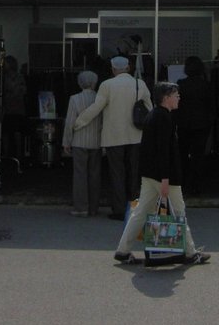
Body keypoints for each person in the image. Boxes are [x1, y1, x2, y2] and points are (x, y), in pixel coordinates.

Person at [114, 82, 210, 265]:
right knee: (179, 211)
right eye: (175, 95)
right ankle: (191, 253)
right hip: (165, 176)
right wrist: (165, 179)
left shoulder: (153, 115)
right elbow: (163, 151)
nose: (178, 98)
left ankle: (122, 250)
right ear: (166, 98)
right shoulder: (164, 118)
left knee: (140, 212)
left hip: (150, 174)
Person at [74, 55, 152, 220]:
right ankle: (134, 208)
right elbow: (149, 108)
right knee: (134, 172)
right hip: (136, 136)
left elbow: (97, 107)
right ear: (128, 68)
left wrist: (80, 122)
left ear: (113, 69)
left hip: (114, 137)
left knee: (117, 173)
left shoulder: (107, 85)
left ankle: (119, 209)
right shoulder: (140, 83)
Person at [62, 71, 102, 217]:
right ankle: (94, 207)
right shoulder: (100, 98)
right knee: (95, 175)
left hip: (79, 141)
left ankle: (81, 207)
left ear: (80, 83)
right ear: (95, 82)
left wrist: (66, 141)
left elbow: (70, 122)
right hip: (96, 142)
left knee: (80, 175)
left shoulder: (74, 99)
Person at [176, 56, 214, 193]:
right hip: (202, 123)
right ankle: (196, 184)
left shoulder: (180, 84)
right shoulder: (206, 85)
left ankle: (184, 182)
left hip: (184, 123)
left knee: (183, 153)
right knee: (198, 154)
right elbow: (211, 105)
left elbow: (176, 105)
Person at [1, 55, 27, 165]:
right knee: (7, 132)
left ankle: (18, 154)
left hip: (15, 108)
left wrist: (11, 92)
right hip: (10, 108)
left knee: (15, 131)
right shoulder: (6, 77)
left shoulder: (16, 77)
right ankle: (7, 153)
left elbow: (22, 90)